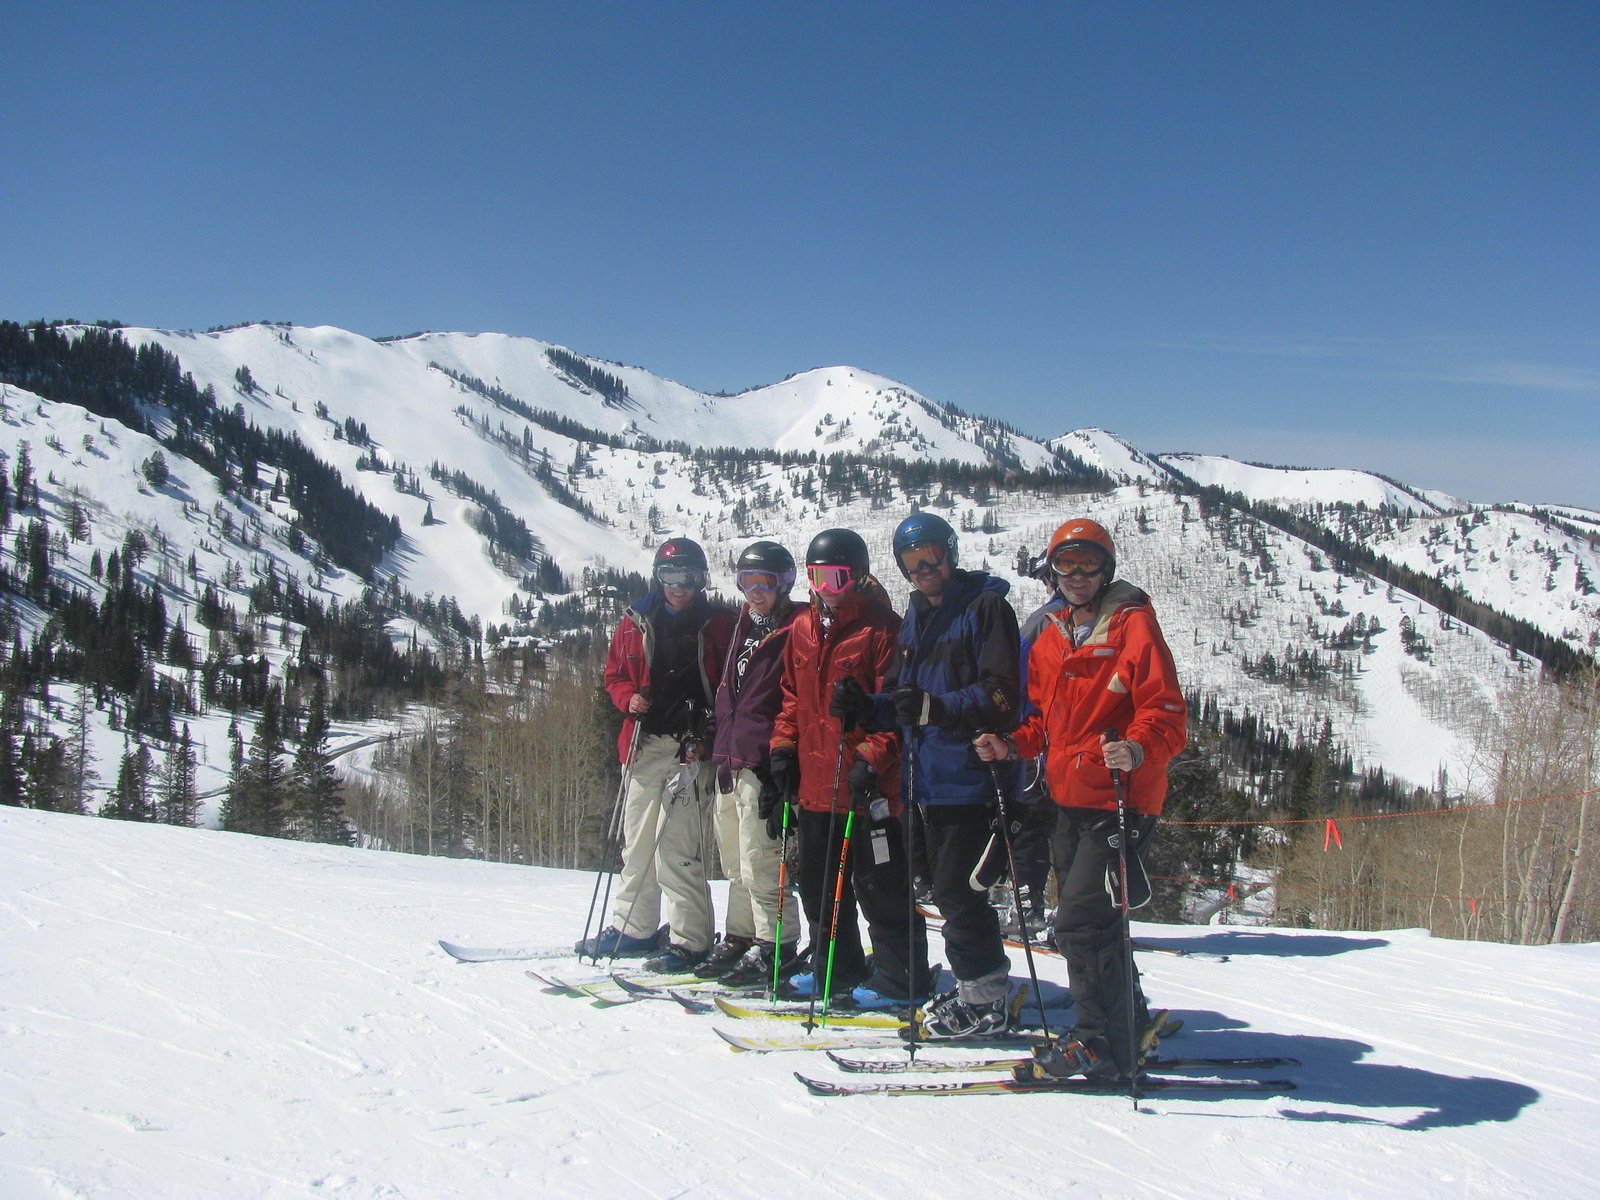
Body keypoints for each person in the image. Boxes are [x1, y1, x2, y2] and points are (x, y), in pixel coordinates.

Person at [975, 517, 1186, 1077]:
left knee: (1078, 923)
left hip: (1120, 798)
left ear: (1105, 568)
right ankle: (1130, 1025)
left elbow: (1165, 713)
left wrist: (1137, 749)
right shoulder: (1052, 634)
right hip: (1070, 798)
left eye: (1087, 563)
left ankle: (1100, 1043)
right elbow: (1044, 723)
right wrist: (1009, 744)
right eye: (1064, 564)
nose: (1075, 575)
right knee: (1098, 921)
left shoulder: (1132, 626)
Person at [832, 512, 1022, 1037]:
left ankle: (985, 999)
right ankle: (976, 991)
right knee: (942, 890)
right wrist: (865, 708)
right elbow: (902, 698)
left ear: (951, 553)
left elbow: (1003, 695)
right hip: (925, 782)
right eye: (911, 563)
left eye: (931, 557)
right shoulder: (917, 614)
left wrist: (934, 707)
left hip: (971, 777)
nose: (923, 569)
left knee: (960, 892)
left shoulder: (986, 609)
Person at [769, 528, 931, 1008]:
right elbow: (792, 697)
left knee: (880, 887)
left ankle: (903, 978)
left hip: (867, 789)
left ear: (858, 576)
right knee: (820, 889)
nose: (826, 587)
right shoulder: (801, 627)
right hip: (817, 786)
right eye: (817, 576)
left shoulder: (882, 629)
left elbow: (896, 710)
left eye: (837, 576)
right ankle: (836, 968)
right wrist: (783, 747)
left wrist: (871, 758)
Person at [577, 537, 735, 971]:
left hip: (690, 749)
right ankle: (634, 928)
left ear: (700, 580)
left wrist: (707, 733)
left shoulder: (718, 625)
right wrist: (627, 698)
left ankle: (691, 939)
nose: (677, 587)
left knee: (678, 847)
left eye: (686, 577)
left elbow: (728, 691)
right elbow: (613, 675)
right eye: (669, 576)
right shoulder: (635, 620)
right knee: (637, 842)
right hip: (645, 744)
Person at [697, 540, 804, 988]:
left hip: (763, 761)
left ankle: (777, 944)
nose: (755, 591)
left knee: (762, 859)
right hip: (730, 757)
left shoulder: (795, 628)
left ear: (784, 584)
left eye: (766, 582)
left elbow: (796, 697)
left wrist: (783, 754)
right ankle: (742, 935)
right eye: (747, 581)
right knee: (735, 862)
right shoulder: (743, 627)